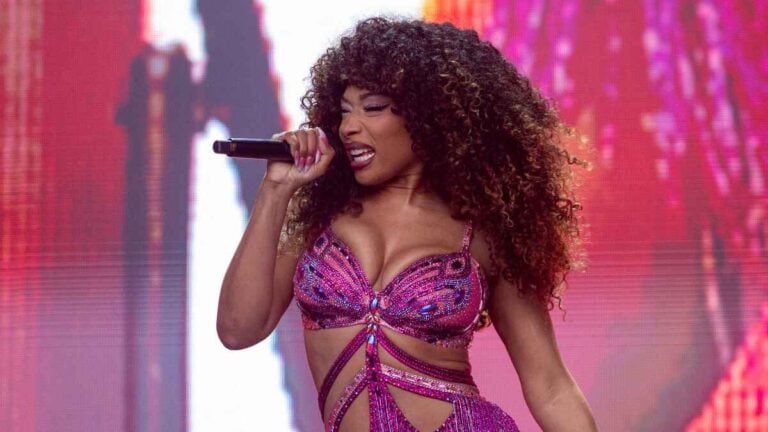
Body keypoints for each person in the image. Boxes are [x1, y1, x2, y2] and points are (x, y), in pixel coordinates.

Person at [217, 17, 598, 431]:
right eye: (344, 111)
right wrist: (276, 189)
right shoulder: (320, 218)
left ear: (426, 116)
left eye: (373, 108)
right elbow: (238, 330)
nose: (348, 127)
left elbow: (550, 386)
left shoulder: (480, 236)